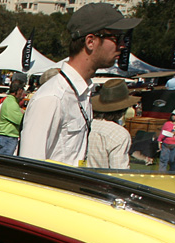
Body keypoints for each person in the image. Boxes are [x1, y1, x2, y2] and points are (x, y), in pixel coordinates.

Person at [19, 3, 140, 165]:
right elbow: (29, 168)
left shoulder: (82, 93)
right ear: (90, 42)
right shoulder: (53, 97)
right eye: (116, 38)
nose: (123, 45)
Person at [86, 78, 138, 169]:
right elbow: (119, 171)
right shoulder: (118, 133)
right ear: (123, 109)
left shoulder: (85, 124)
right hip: (100, 181)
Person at [0, 80, 26, 155]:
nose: (22, 94)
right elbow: (20, 120)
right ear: (19, 90)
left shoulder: (11, 101)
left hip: (7, 137)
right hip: (7, 138)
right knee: (3, 162)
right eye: (22, 91)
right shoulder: (11, 103)